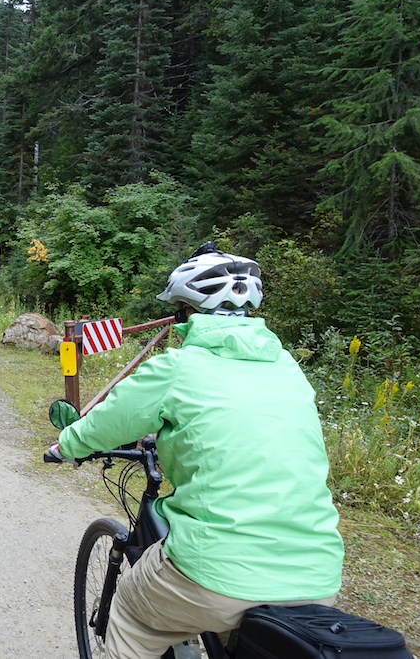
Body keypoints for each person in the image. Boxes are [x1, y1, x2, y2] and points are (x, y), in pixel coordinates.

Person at [47, 243, 344, 659]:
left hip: (218, 573)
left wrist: (67, 445)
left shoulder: (177, 369)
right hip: (318, 577)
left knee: (131, 614)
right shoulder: (289, 369)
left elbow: (108, 421)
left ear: (185, 314)